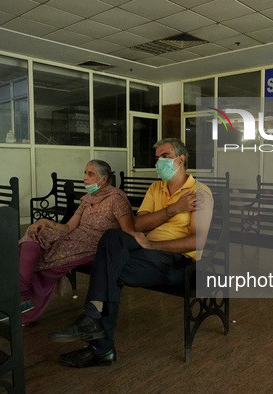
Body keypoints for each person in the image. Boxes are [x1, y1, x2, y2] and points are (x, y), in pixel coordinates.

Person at [48, 138, 213, 367]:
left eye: (164, 156)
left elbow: (198, 241)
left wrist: (154, 245)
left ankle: (100, 341)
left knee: (108, 267)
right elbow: (137, 225)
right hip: (147, 252)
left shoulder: (199, 192)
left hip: (178, 262)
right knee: (112, 238)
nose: (158, 162)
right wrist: (173, 209)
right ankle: (94, 322)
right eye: (157, 158)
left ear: (181, 159)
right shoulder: (156, 188)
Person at [9, 160, 134, 326]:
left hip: (95, 245)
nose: (84, 177)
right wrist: (45, 223)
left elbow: (127, 231)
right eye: (85, 173)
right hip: (75, 237)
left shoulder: (116, 199)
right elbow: (68, 227)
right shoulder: (88, 199)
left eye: (90, 174)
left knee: (47, 262)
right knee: (35, 235)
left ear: (103, 179)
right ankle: (22, 294)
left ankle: (24, 311)